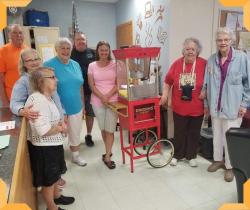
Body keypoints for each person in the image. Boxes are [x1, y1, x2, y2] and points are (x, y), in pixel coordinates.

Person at [10, 48, 66, 188]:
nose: (34, 62)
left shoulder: (47, 75)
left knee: (56, 157)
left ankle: (56, 182)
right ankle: (51, 186)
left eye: (36, 59)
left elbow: (56, 99)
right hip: (42, 132)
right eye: (30, 60)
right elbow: (14, 104)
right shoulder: (23, 81)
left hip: (55, 126)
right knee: (47, 163)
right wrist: (23, 111)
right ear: (24, 64)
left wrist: (62, 117)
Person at [203, 27, 250, 182]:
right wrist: (206, 104)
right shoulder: (211, 59)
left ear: (231, 41)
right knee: (217, 135)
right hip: (216, 106)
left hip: (234, 107)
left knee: (229, 137)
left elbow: (248, 84)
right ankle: (217, 160)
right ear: (216, 42)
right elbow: (206, 84)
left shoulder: (242, 58)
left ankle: (230, 167)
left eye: (226, 39)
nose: (222, 43)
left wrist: (244, 104)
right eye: (219, 40)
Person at [25, 67, 75, 210]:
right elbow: (43, 131)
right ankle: (51, 207)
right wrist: (61, 128)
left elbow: (50, 120)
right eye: (52, 77)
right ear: (41, 81)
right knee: (49, 180)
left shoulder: (47, 96)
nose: (56, 80)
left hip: (52, 144)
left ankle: (57, 197)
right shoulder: (38, 100)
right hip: (44, 149)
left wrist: (59, 124)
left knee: (55, 176)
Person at [160, 37, 206, 167]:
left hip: (197, 106)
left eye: (193, 49)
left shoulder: (204, 64)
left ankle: (191, 156)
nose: (190, 51)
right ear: (183, 51)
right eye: (187, 49)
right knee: (179, 132)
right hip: (179, 106)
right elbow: (167, 82)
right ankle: (177, 155)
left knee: (194, 132)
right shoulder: (177, 64)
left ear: (197, 51)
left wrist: (206, 92)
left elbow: (211, 82)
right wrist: (165, 95)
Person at [44, 37, 87, 167]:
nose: (65, 50)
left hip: (76, 106)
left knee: (75, 132)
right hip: (57, 108)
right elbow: (46, 89)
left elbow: (80, 85)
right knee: (57, 136)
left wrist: (83, 105)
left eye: (68, 48)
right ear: (56, 49)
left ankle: (75, 156)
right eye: (62, 48)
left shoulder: (75, 64)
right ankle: (57, 162)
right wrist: (60, 111)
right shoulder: (48, 65)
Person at [88, 41, 118, 169]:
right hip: (97, 101)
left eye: (106, 50)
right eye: (101, 50)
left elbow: (118, 83)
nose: (104, 52)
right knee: (103, 129)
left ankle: (107, 157)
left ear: (109, 51)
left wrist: (108, 96)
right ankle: (108, 150)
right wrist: (102, 97)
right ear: (97, 51)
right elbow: (91, 84)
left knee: (110, 129)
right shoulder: (92, 65)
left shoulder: (115, 64)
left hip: (113, 101)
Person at [71, 31, 96, 147]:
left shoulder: (92, 53)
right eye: (78, 39)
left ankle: (89, 135)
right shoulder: (69, 54)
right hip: (75, 92)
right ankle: (75, 139)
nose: (81, 41)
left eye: (83, 39)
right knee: (76, 116)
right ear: (74, 41)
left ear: (86, 41)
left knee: (90, 114)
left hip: (91, 91)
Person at [0, 24, 27, 105]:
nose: (18, 35)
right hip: (12, 99)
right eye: (14, 33)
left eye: (20, 33)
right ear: (9, 35)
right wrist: (5, 102)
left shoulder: (27, 50)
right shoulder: (3, 51)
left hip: (28, 97)